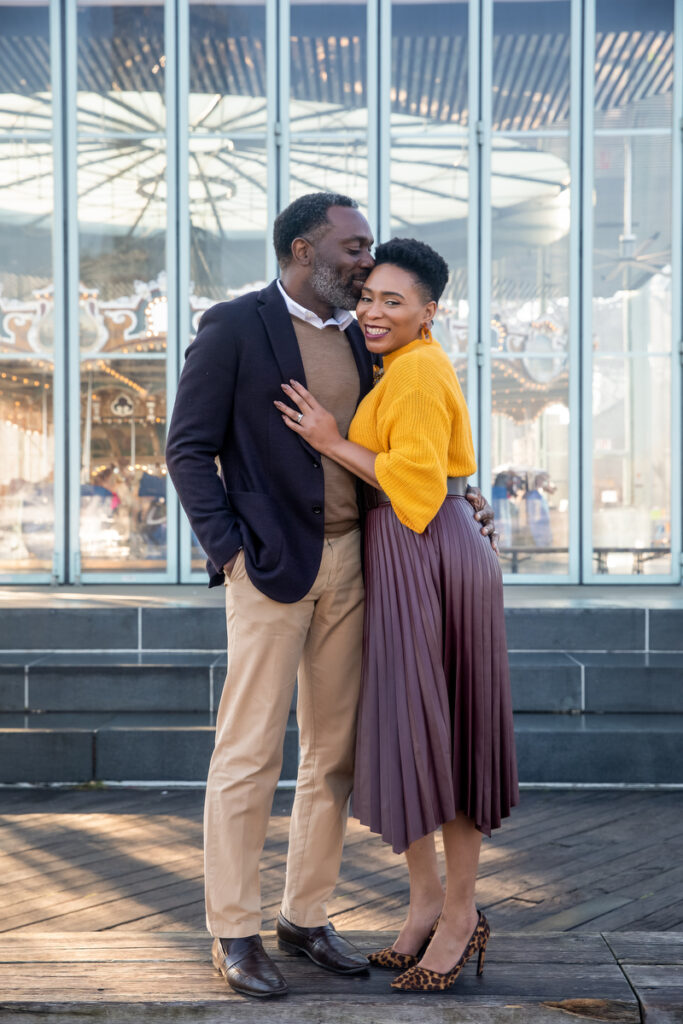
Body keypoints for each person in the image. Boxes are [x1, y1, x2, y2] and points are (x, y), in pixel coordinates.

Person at [166, 194, 496, 999]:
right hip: (271, 571)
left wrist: (460, 490)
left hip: (362, 565)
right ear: (304, 248)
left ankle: (303, 916)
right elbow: (186, 449)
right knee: (247, 753)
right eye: (353, 249)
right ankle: (233, 929)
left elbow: (408, 433)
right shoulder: (235, 326)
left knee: (333, 756)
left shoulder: (367, 336)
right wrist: (231, 553)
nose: (365, 260)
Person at [276, 237, 518, 995]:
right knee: (415, 737)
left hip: (426, 554)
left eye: (394, 301)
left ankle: (456, 914)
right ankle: (422, 909)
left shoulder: (415, 371)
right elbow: (437, 476)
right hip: (417, 551)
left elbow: (413, 488)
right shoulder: (399, 365)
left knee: (442, 736)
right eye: (369, 296)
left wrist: (328, 441)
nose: (374, 311)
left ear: (427, 312)